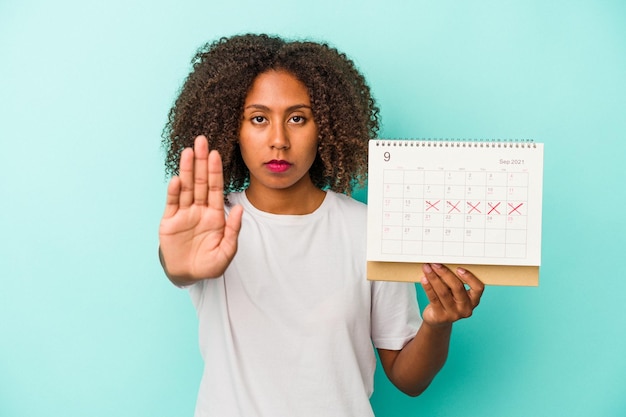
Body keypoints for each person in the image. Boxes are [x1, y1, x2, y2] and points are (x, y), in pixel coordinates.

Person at [158, 33, 484, 417]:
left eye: (298, 118)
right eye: (258, 118)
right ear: (232, 128)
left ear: (327, 126)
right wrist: (176, 265)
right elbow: (179, 265)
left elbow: (409, 380)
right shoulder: (210, 224)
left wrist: (437, 323)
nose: (278, 140)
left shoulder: (369, 230)